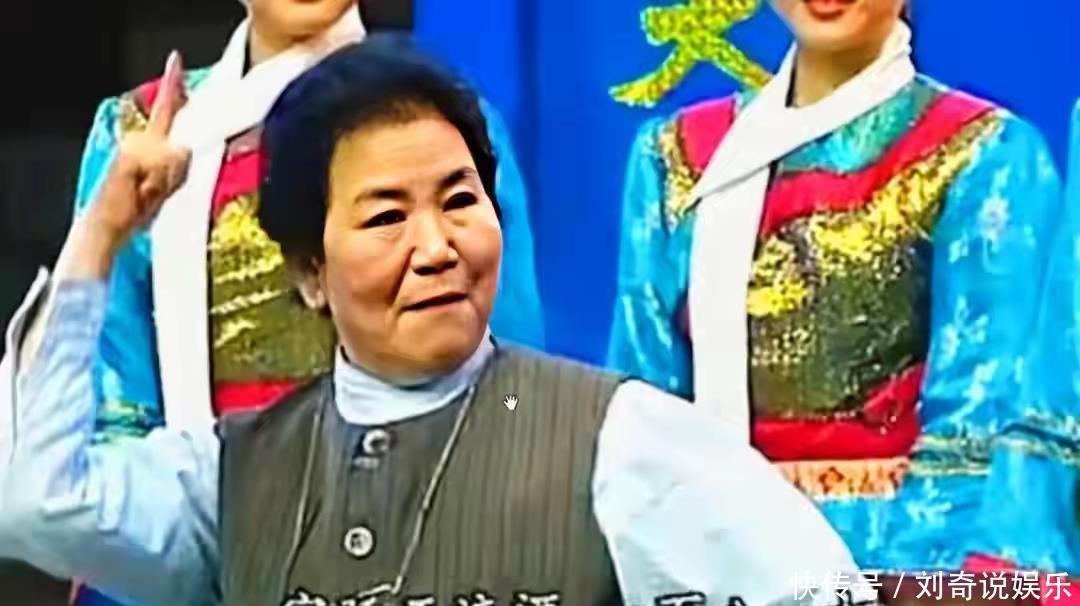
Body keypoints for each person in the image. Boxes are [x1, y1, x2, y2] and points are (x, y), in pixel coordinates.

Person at [0, 38, 870, 606]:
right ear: (310, 271)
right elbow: (37, 501)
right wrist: (100, 233)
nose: (436, 247)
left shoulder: (622, 441)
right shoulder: (230, 476)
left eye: (459, 200)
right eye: (386, 216)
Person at [608, 0, 1079, 591]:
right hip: (707, 568)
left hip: (903, 574)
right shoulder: (674, 156)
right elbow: (644, 422)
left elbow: (979, 432)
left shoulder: (985, 154)